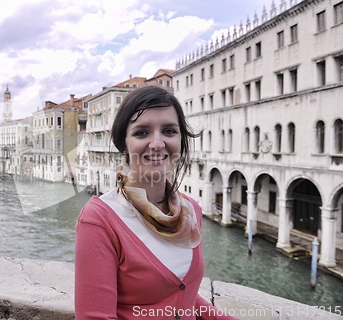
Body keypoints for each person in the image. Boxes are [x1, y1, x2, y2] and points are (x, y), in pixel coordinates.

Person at [75, 86, 239, 319]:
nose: (157, 144)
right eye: (142, 133)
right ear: (124, 142)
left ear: (181, 140)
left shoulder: (191, 210)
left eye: (169, 131)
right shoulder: (99, 220)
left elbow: (186, 295)